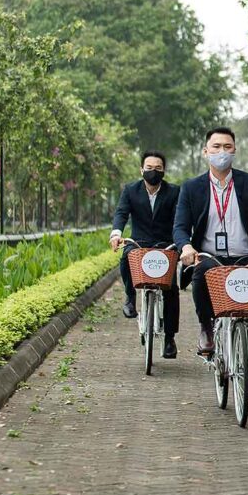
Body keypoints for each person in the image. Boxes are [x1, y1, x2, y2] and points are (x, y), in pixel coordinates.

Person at [174, 127, 248, 400]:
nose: (222, 152)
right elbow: (179, 226)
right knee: (200, 272)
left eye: (227, 146)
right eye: (216, 146)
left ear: (234, 150)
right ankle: (207, 328)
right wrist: (186, 246)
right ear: (206, 151)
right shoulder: (191, 187)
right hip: (210, 257)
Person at [109, 151, 181, 358]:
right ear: (141, 170)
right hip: (139, 243)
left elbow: (179, 220)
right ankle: (130, 298)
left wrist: (181, 242)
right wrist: (116, 234)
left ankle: (169, 338)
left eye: (158, 168)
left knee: (171, 289)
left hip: (165, 244)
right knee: (126, 256)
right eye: (149, 168)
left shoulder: (174, 192)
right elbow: (121, 213)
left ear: (164, 171)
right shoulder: (131, 190)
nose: (153, 172)